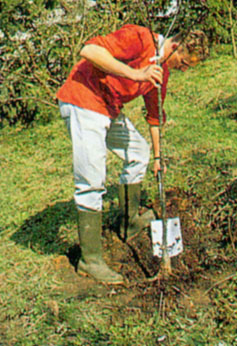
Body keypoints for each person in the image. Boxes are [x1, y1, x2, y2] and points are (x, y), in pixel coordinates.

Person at [57, 24, 209, 284]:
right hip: (83, 98)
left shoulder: (161, 73)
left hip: (108, 107)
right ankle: (90, 260)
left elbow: (154, 116)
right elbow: (89, 50)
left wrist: (159, 159)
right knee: (92, 180)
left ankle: (129, 222)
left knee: (139, 151)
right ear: (174, 46)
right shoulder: (139, 38)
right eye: (184, 62)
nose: (184, 69)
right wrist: (137, 74)